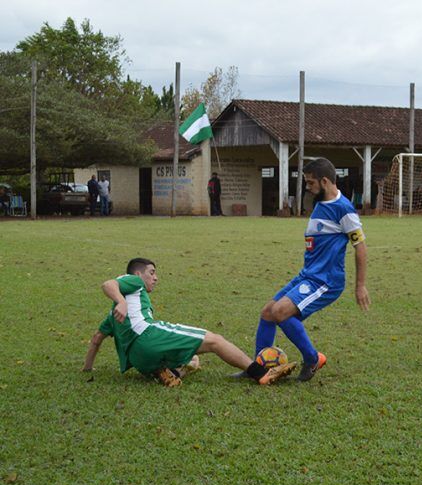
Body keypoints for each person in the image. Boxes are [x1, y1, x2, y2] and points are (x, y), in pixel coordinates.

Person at [236, 157, 370, 382]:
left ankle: (312, 358)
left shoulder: (344, 209)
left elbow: (361, 247)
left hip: (326, 281)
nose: (307, 188)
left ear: (325, 181)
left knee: (280, 312)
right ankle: (258, 368)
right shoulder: (321, 203)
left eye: (310, 183)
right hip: (308, 275)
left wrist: (360, 286)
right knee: (268, 313)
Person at [83, 258, 296, 386]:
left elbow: (95, 340)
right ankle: (262, 373)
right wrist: (120, 300)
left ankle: (171, 372)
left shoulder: (113, 317)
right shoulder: (133, 281)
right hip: (147, 336)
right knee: (215, 340)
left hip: (139, 361)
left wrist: (87, 370)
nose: (155, 278)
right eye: (152, 273)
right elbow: (108, 284)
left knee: (193, 359)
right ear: (138, 273)